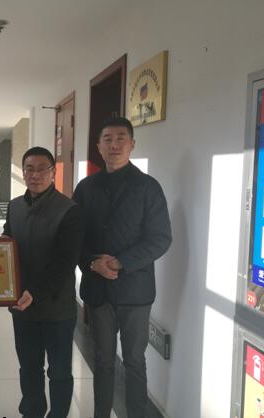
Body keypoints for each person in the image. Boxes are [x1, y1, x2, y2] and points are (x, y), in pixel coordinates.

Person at [72, 117, 172, 418]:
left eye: (120, 138)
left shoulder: (148, 187)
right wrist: (92, 262)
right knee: (102, 360)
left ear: (132, 144)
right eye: (107, 139)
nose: (114, 145)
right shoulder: (86, 188)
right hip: (98, 289)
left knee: (134, 361)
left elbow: (160, 239)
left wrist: (121, 262)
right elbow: (74, 236)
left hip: (135, 291)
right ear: (99, 146)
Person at [1, 147, 85, 418]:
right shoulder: (15, 206)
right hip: (21, 305)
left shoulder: (69, 210)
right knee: (29, 367)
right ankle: (32, 412)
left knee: (59, 371)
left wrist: (35, 292)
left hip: (56, 307)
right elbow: (8, 237)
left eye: (42, 169)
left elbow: (65, 262)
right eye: (29, 169)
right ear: (23, 172)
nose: (35, 175)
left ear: (53, 172)